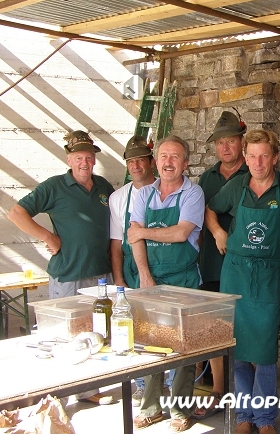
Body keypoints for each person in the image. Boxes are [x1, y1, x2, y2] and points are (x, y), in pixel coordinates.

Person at [7, 130, 114, 405]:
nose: (84, 163)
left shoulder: (104, 187)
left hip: (100, 275)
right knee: (65, 336)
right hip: (68, 274)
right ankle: (59, 395)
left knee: (95, 334)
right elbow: (16, 213)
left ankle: (90, 390)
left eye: (88, 158)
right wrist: (48, 237)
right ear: (69, 159)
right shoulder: (54, 186)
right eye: (78, 158)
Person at [205, 129, 280, 434]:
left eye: (263, 155)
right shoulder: (237, 186)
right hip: (236, 273)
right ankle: (244, 415)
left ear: (275, 157)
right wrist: (218, 232)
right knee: (238, 346)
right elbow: (210, 209)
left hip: (268, 275)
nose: (257, 162)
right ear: (246, 157)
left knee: (266, 349)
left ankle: (265, 417)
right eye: (252, 155)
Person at [128, 135, 205, 432]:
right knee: (149, 344)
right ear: (155, 161)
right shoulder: (143, 194)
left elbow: (180, 233)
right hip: (150, 279)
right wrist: (144, 274)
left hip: (183, 279)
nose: (168, 162)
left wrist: (143, 232)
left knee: (183, 348)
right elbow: (132, 240)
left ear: (185, 163)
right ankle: (150, 407)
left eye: (175, 157)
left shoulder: (192, 193)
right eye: (163, 157)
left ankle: (180, 410)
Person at [193, 110, 248, 420]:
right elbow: (202, 215)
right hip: (213, 264)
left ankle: (245, 393)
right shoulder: (207, 178)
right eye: (220, 143)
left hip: (245, 267)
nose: (225, 148)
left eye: (231, 141)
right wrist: (216, 234)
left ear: (241, 142)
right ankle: (219, 390)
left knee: (245, 327)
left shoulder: (253, 172)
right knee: (215, 328)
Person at [108, 135, 155, 407]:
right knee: (136, 328)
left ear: (151, 162)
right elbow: (116, 243)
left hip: (163, 263)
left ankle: (170, 386)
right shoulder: (118, 198)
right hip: (130, 269)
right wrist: (119, 280)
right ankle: (140, 385)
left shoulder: (166, 190)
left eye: (140, 159)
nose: (135, 165)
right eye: (130, 161)